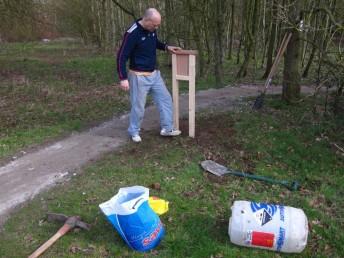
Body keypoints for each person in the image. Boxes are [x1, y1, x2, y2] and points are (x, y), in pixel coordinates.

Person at [117, 8, 181, 143]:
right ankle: (134, 131)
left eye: (158, 25)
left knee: (166, 99)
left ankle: (167, 128)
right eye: (155, 25)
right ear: (146, 20)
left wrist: (166, 47)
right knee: (138, 106)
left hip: (154, 74)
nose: (157, 27)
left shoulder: (152, 29)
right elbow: (121, 56)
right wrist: (123, 78)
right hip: (138, 76)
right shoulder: (132, 33)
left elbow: (154, 42)